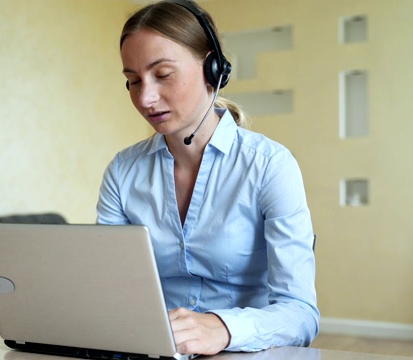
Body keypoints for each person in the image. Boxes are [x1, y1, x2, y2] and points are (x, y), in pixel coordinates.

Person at [96, 0, 319, 355]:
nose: (146, 98)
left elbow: (302, 314)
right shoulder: (122, 172)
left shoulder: (270, 166)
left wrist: (224, 328)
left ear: (213, 68)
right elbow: (110, 290)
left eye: (163, 74)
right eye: (133, 81)